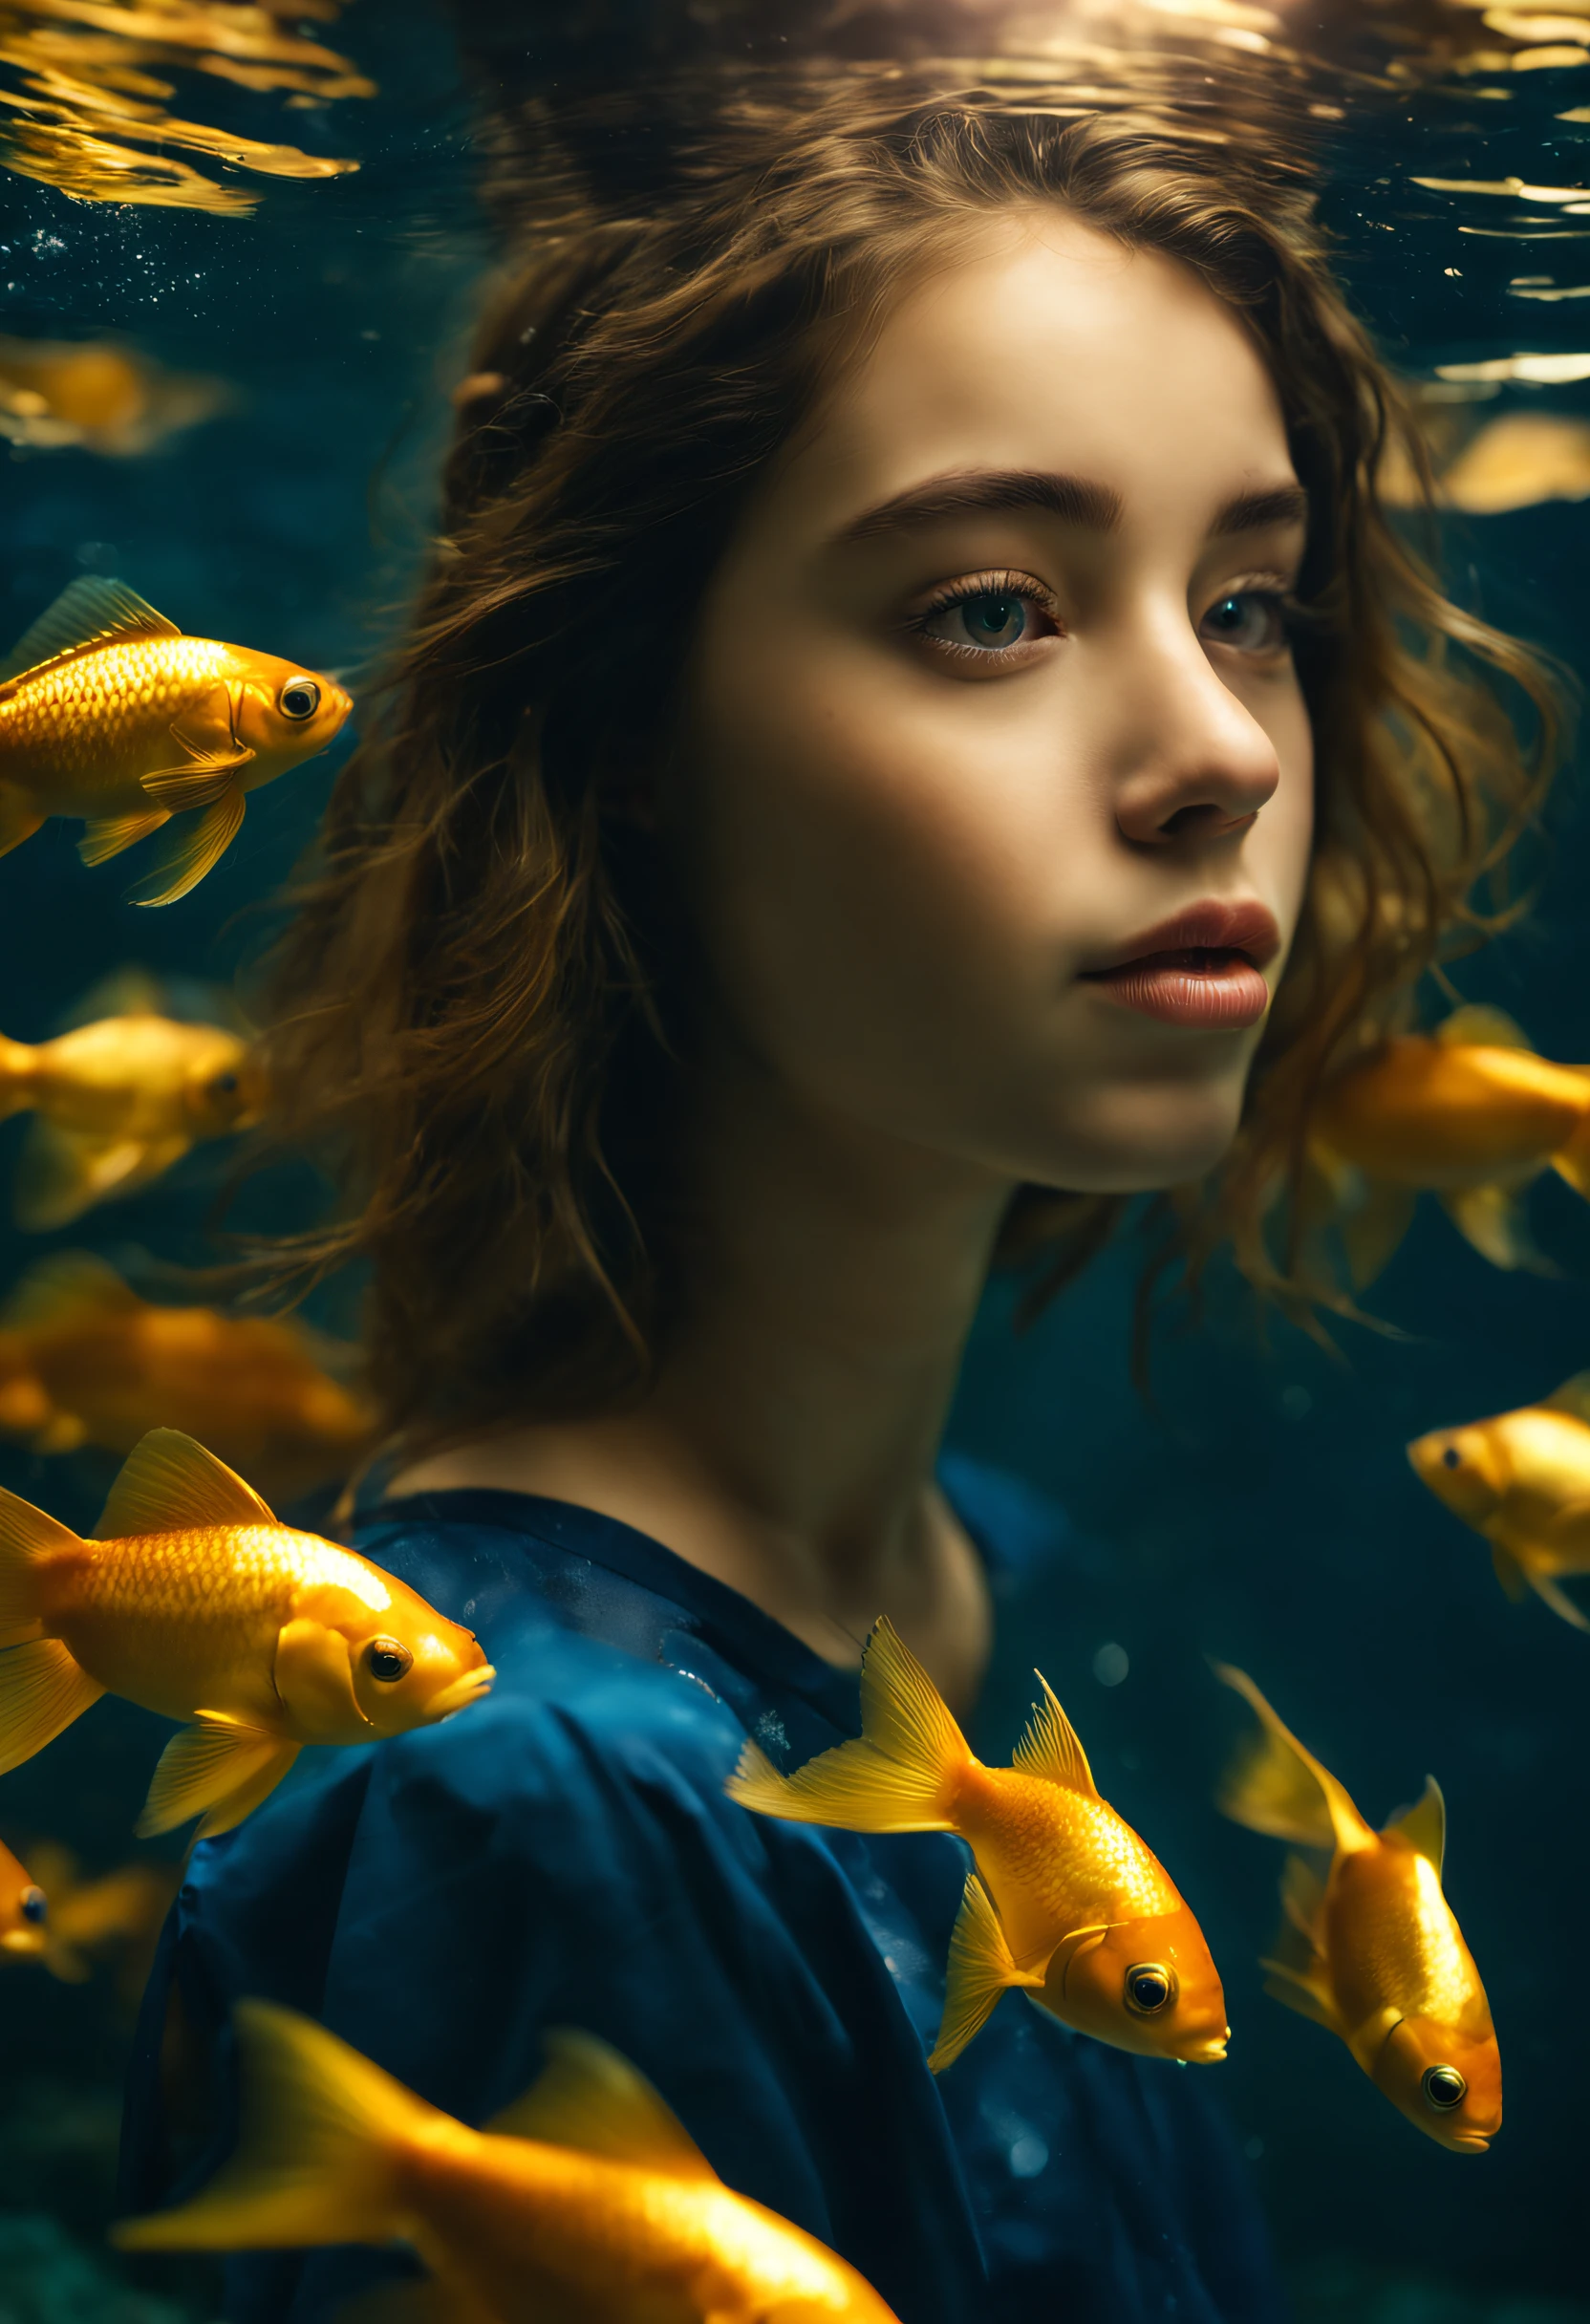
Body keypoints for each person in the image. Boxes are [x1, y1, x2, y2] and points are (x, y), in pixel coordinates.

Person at [119, 34, 1558, 2324]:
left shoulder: (994, 1594)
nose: (1212, 749)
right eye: (991, 603)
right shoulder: (515, 1810)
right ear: (624, 729)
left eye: (1253, 602)